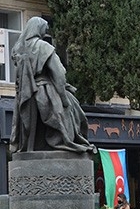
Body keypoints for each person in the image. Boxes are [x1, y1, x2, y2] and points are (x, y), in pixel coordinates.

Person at [10, 16, 95, 154]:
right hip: (46, 92)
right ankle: (72, 141)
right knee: (75, 110)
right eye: (45, 28)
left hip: (25, 96)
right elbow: (59, 75)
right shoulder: (44, 47)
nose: (46, 31)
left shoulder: (18, 50)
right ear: (38, 29)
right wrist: (64, 97)